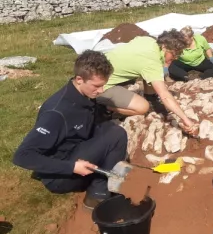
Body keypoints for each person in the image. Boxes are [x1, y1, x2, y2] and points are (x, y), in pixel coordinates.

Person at [12, 51, 128, 210]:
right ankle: (98, 195)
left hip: (74, 150)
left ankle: (107, 177)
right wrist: (72, 167)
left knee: (110, 129)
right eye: (97, 86)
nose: (101, 91)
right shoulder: (57, 113)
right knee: (116, 135)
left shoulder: (83, 96)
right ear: (79, 79)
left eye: (103, 85)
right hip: (60, 177)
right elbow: (22, 156)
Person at [97, 30, 197, 134]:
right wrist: (185, 119)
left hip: (97, 68)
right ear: (164, 47)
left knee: (148, 75)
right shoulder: (152, 63)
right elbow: (165, 95)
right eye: (175, 53)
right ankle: (104, 108)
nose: (176, 57)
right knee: (143, 107)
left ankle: (151, 97)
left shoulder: (147, 40)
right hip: (99, 87)